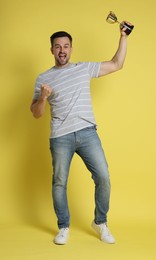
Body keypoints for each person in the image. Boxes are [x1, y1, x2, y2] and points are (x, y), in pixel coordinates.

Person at [30, 21, 132, 245]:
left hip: (87, 132)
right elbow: (36, 113)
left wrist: (123, 37)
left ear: (71, 48)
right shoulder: (43, 78)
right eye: (58, 46)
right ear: (51, 50)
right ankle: (63, 226)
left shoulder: (83, 68)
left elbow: (117, 64)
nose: (62, 50)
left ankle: (100, 222)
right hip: (60, 136)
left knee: (103, 177)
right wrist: (44, 97)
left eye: (66, 46)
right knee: (59, 182)